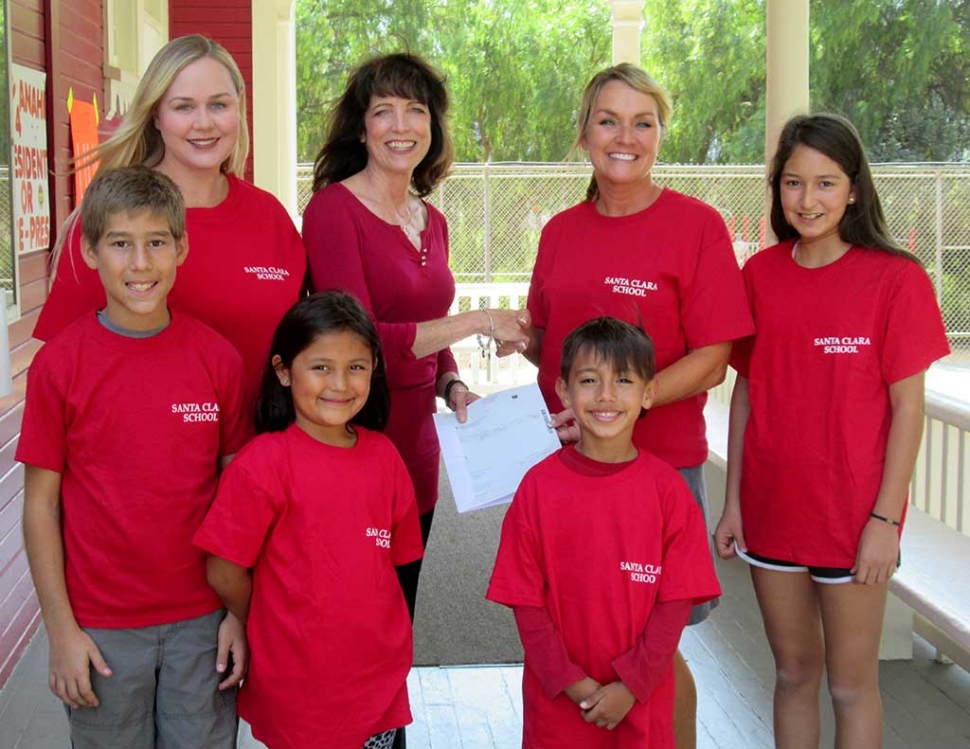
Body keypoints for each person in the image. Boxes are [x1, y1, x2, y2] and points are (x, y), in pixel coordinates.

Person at [512, 63, 754, 747]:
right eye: (608, 120)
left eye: (642, 122)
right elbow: (555, 349)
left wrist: (631, 402)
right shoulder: (560, 231)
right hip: (566, 472)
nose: (625, 136)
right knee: (571, 633)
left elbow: (714, 355)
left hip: (660, 469)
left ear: (660, 133)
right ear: (585, 133)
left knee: (660, 648)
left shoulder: (695, 226)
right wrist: (514, 339)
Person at [714, 113, 950, 749]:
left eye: (825, 183)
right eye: (793, 183)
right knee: (793, 674)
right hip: (772, 514)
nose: (808, 199)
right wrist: (734, 503)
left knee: (851, 686)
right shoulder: (759, 276)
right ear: (777, 189)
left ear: (853, 189)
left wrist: (885, 523)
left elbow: (908, 410)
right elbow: (746, 397)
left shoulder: (896, 280)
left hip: (854, 523)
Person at [19, 167, 249, 748]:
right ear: (92, 252)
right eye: (120, 244)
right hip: (101, 627)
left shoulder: (217, 360)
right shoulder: (61, 365)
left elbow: (237, 505)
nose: (140, 263)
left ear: (181, 248)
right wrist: (60, 629)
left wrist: (239, 615)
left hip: (203, 622)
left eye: (156, 243)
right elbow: (41, 506)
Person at [302, 52, 531, 621]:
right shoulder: (334, 212)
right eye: (384, 111)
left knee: (402, 607)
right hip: (357, 437)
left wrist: (451, 382)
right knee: (352, 608)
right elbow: (354, 343)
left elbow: (426, 323)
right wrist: (481, 319)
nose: (401, 126)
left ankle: (392, 711)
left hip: (419, 446)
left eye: (416, 110)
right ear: (362, 127)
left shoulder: (434, 221)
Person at [194, 291, 424, 749]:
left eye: (356, 367)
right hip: (298, 691)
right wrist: (256, 616)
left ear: (374, 369)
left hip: (377, 686)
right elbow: (222, 568)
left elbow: (395, 567)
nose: (340, 383)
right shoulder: (263, 464)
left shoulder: (385, 457)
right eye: (321, 367)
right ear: (283, 371)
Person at [34, 34, 306, 414]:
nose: (204, 122)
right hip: (145, 460)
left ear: (238, 109)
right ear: (156, 116)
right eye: (183, 107)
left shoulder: (269, 215)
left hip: (260, 458)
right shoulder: (112, 219)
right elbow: (57, 373)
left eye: (218, 104)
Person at [487, 317, 721, 749]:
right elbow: (525, 604)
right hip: (558, 706)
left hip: (642, 703)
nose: (606, 396)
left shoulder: (668, 493)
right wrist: (573, 684)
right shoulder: (537, 489)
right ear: (563, 391)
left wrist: (631, 686)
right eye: (589, 380)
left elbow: (674, 607)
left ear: (648, 392)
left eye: (624, 381)